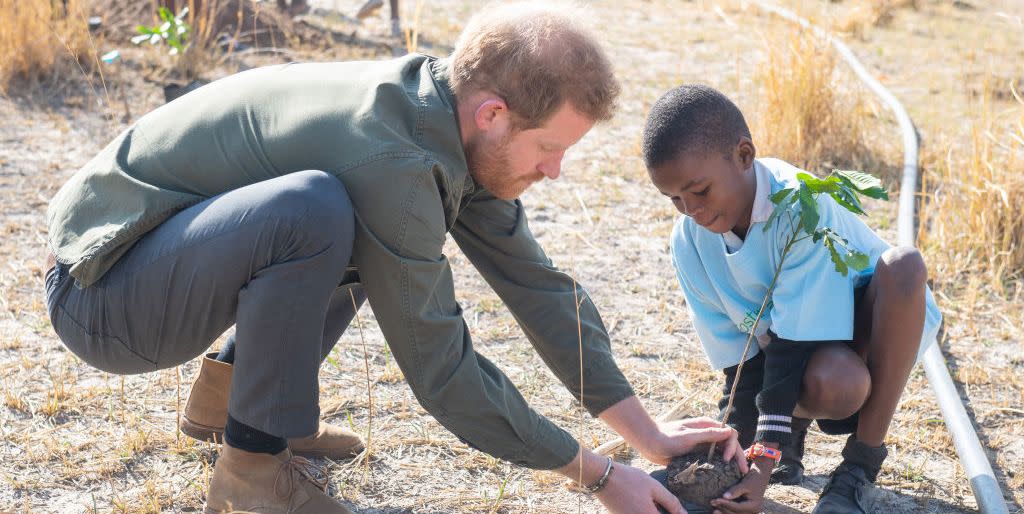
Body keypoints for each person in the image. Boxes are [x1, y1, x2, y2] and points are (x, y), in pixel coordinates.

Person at [44, 5, 746, 514]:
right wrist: (597, 476)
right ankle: (253, 470)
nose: (556, 171)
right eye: (549, 149)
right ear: (493, 114)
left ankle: (225, 403)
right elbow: (441, 371)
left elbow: (537, 286)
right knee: (318, 212)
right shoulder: (393, 162)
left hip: (157, 259)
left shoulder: (442, 117)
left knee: (333, 215)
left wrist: (646, 435)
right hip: (105, 295)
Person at [641, 84, 942, 514]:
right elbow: (739, 365)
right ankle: (789, 436)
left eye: (701, 191)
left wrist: (764, 456)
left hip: (867, 343)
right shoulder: (690, 241)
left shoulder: (801, 207)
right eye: (674, 199)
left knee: (903, 268)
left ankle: (857, 468)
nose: (692, 210)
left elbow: (793, 346)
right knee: (817, 377)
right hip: (796, 354)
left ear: (745, 155)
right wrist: (729, 458)